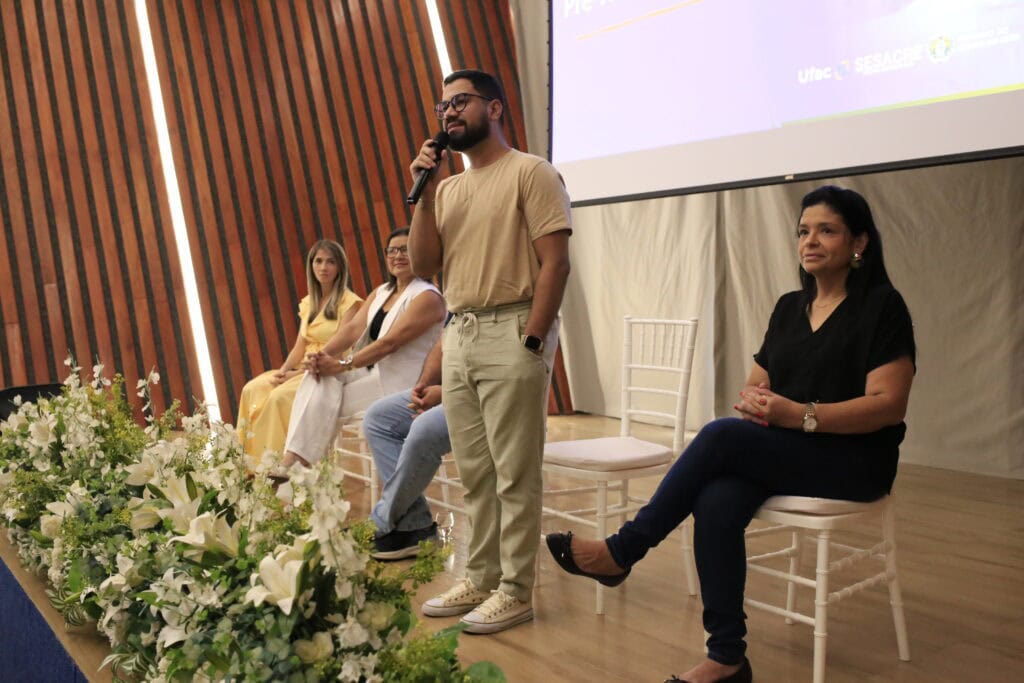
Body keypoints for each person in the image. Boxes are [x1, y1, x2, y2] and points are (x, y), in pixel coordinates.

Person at [546, 185, 916, 683]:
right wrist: (759, 404)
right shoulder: (790, 307)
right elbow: (755, 384)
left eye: (826, 230)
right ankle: (727, 659)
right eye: (803, 230)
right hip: (791, 452)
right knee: (717, 501)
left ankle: (623, 550)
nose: (810, 240)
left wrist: (798, 414)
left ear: (859, 243)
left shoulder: (882, 306)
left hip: (855, 460)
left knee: (720, 437)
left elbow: (887, 407)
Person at [408, 69, 572, 634]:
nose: (449, 113)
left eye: (461, 102)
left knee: (513, 472)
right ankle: (480, 576)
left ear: (495, 108)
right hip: (461, 331)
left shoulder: (531, 172)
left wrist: (533, 338)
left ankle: (516, 590)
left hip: (511, 328)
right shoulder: (447, 189)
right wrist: (425, 194)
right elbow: (426, 265)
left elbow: (555, 261)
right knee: (474, 470)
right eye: (443, 106)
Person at [280, 228, 446, 469]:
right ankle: (296, 460)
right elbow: (352, 330)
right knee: (317, 377)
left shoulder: (428, 297)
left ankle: (296, 463)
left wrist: (341, 364)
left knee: (325, 400)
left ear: (419, 253)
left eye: (405, 250)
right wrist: (320, 357)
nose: (398, 255)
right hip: (370, 373)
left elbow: (389, 343)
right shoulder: (381, 292)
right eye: (392, 250)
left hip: (401, 383)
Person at [237, 240, 362, 465]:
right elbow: (299, 346)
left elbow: (340, 349)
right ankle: (247, 463)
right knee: (252, 388)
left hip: (326, 370)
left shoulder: (350, 303)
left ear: (340, 268)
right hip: (302, 367)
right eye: (318, 261)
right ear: (311, 266)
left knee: (277, 398)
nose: (323, 267)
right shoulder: (308, 303)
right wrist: (284, 371)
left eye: (330, 262)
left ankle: (275, 467)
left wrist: (295, 375)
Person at [364, 336, 451, 560]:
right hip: (451, 387)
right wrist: (425, 385)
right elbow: (442, 343)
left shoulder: (429, 299)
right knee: (378, 418)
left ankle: (377, 523)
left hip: (483, 394)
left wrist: (448, 392)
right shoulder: (459, 304)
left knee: (424, 428)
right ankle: (415, 527)